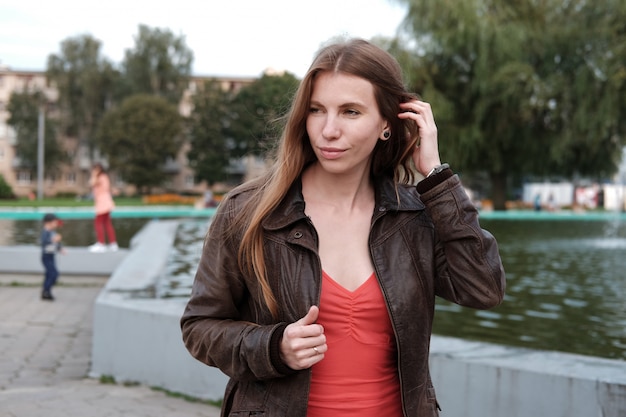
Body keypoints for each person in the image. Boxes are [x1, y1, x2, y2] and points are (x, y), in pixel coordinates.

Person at [180, 38, 506, 417]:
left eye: (350, 112)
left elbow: (483, 289)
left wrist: (436, 177)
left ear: (387, 123)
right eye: (317, 110)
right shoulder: (249, 212)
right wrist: (272, 347)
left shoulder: (415, 216)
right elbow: (200, 327)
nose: (328, 130)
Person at [88, 162, 118, 252]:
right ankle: (113, 244)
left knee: (98, 222)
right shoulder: (105, 177)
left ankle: (101, 244)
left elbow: (91, 183)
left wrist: (94, 175)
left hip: (102, 202)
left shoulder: (99, 177)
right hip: (106, 201)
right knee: (107, 223)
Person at [41, 213, 65, 300]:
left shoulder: (52, 232)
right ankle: (46, 291)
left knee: (49, 274)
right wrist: (54, 239)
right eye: (55, 222)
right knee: (53, 273)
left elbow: (56, 243)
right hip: (46, 257)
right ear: (48, 223)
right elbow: (44, 242)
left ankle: (46, 291)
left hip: (51, 256)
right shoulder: (45, 232)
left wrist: (60, 248)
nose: (56, 224)